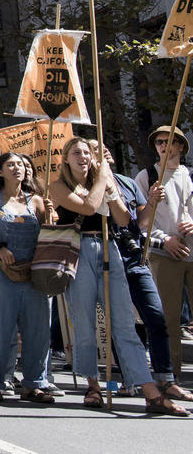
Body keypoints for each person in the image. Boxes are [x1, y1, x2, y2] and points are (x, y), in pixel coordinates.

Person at [51, 137, 186, 415]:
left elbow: (125, 221)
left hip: (110, 247)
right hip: (78, 249)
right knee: (85, 323)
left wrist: (110, 189)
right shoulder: (58, 185)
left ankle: (150, 391)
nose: (83, 157)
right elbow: (88, 207)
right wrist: (102, 179)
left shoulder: (106, 181)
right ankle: (93, 386)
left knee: (124, 323)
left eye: (87, 153)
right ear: (65, 158)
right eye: (76, 152)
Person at [101, 143, 191, 402]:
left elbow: (141, 224)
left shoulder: (129, 184)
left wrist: (151, 202)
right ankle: (127, 378)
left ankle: (165, 379)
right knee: (122, 324)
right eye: (95, 151)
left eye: (106, 150)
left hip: (135, 260)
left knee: (156, 318)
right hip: (106, 260)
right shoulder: (86, 186)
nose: (104, 154)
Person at [0, 152, 52, 403]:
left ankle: (34, 383)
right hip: (2, 273)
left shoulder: (38, 201)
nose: (17, 168)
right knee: (0, 329)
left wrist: (51, 217)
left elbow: (49, 236)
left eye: (20, 164)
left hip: (34, 273)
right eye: (10, 164)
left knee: (37, 330)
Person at [136, 125, 193, 384]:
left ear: (180, 146)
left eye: (168, 141)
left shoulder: (190, 175)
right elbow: (140, 222)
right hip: (164, 254)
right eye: (158, 141)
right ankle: (172, 375)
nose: (162, 145)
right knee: (168, 316)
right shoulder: (147, 177)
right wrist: (164, 240)